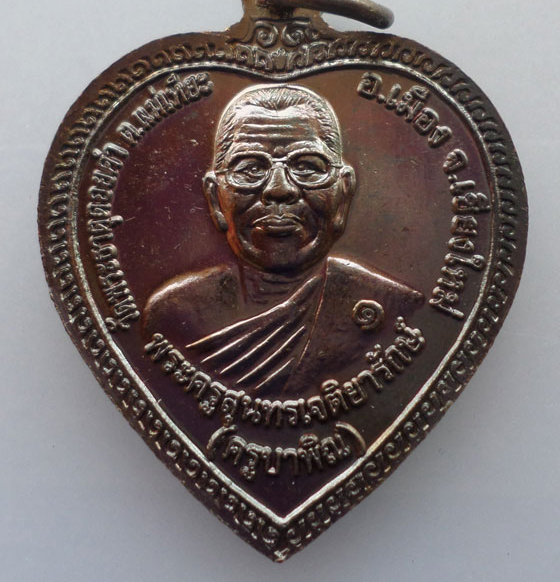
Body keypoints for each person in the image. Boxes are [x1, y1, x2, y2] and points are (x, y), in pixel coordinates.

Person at [143, 84, 423, 397]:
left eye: (306, 167)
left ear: (343, 194)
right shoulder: (174, 314)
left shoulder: (395, 309)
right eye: (250, 168)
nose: (279, 189)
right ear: (214, 199)